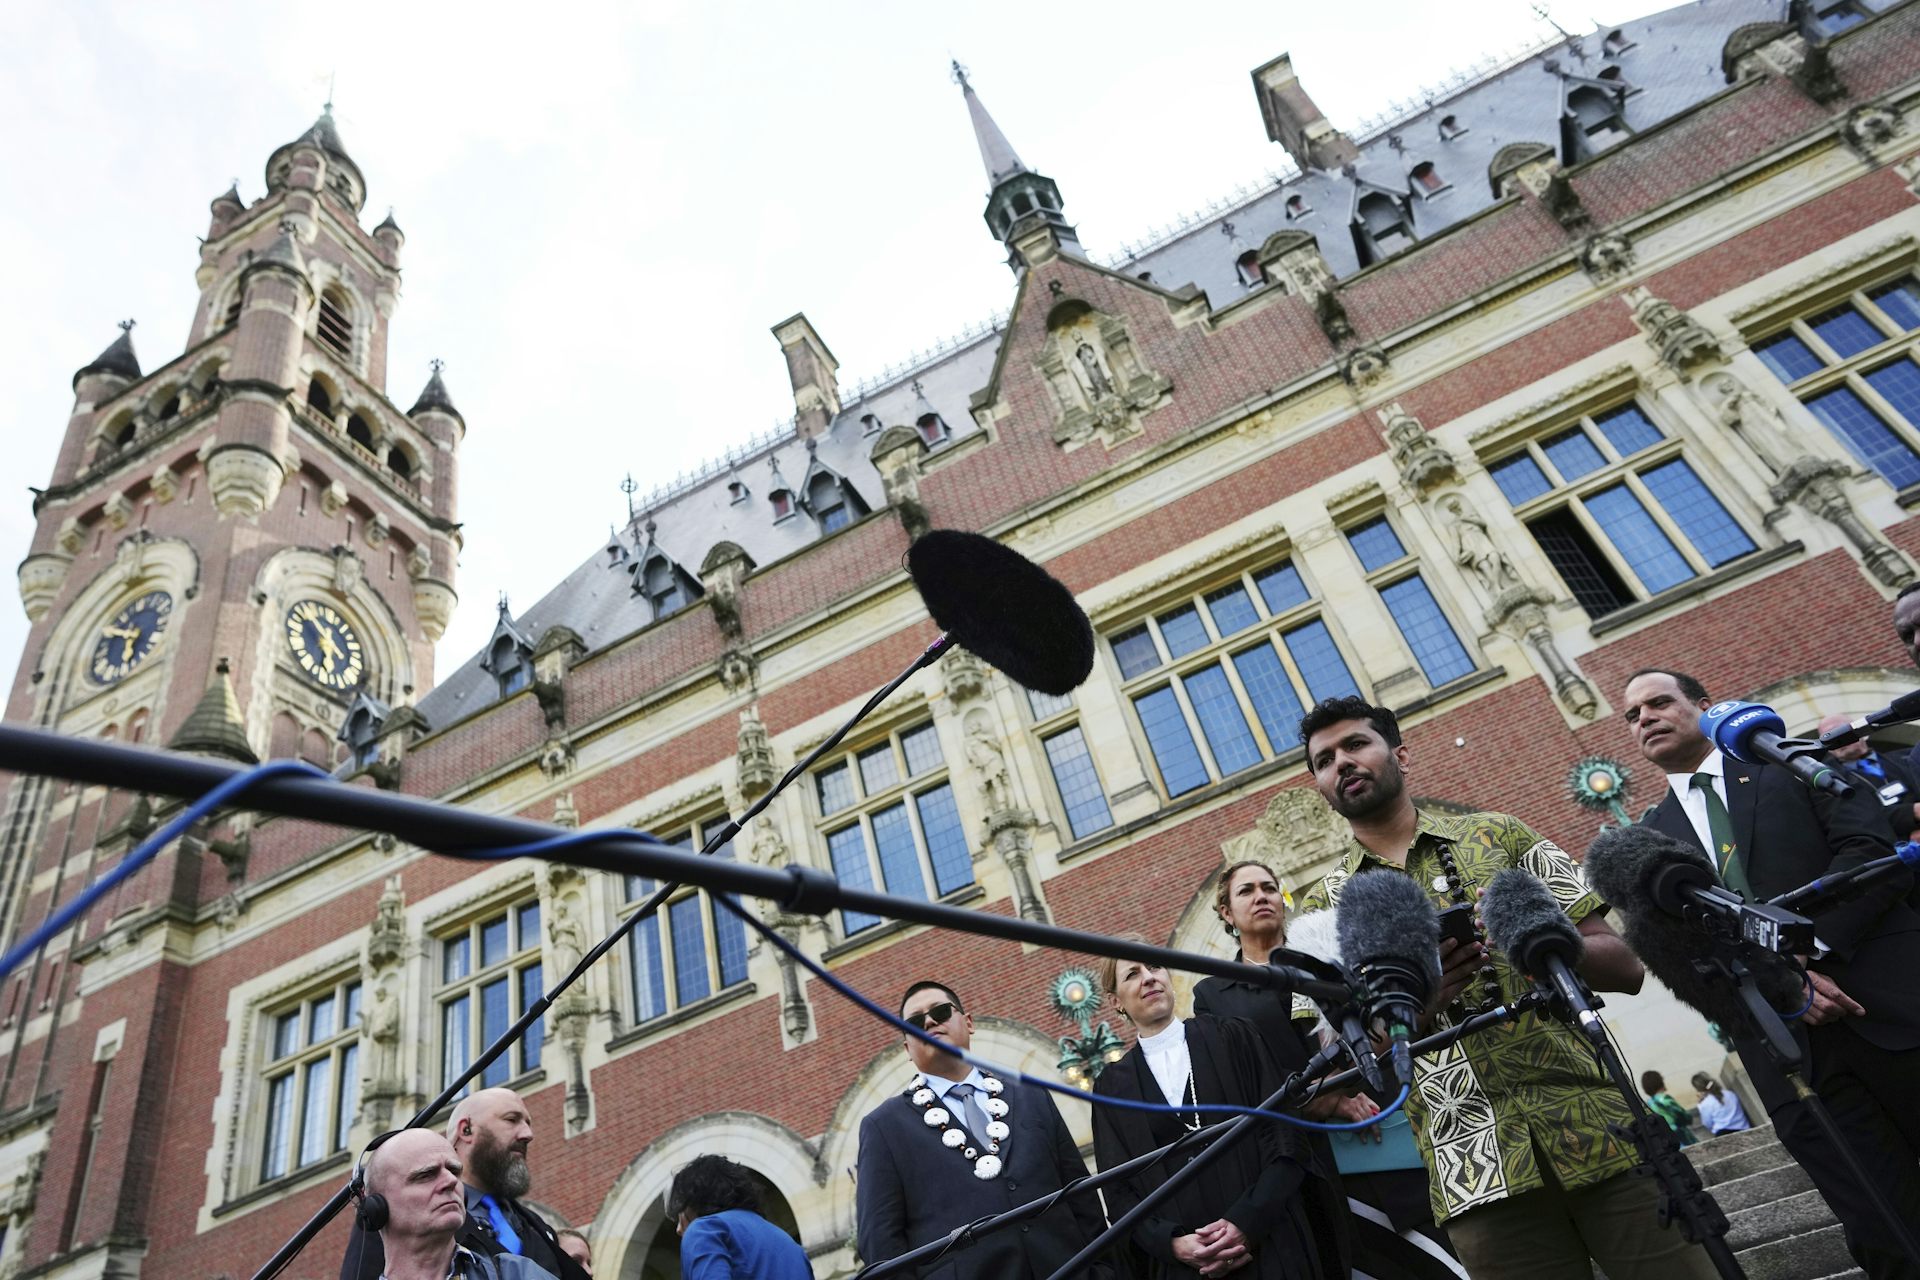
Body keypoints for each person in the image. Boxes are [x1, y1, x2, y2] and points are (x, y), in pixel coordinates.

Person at [1293, 695, 1717, 1280]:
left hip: (1602, 1129)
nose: (1341, 762)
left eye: (1356, 744)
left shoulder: (1501, 836)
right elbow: (1340, 1064)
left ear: (1400, 755)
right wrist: (1416, 1008)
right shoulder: (1320, 910)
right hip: (1473, 1172)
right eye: (1324, 760)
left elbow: (1625, 967)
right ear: (1319, 785)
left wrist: (1540, 942)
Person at [1626, 668, 1920, 1278]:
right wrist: (1782, 985)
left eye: (1658, 702)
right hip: (1788, 1055)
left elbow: (1869, 852)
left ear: (1705, 706)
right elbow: (1674, 956)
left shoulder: (1790, 765)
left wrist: (1804, 950)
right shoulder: (1646, 844)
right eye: (1633, 715)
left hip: (1890, 1007)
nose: (1644, 718)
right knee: (1884, 1230)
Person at [1194, 861, 1458, 1279]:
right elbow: (1240, 1077)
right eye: (1247, 891)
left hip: (1385, 1127)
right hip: (1311, 1158)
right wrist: (1327, 1099)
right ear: (1226, 912)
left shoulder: (1327, 952)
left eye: (1269, 888)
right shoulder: (1213, 994)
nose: (1261, 896)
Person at [1091, 937, 1336, 1279]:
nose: (1149, 977)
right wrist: (1173, 1244)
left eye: (1154, 966)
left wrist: (1246, 1223)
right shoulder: (1111, 1088)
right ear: (1116, 1001)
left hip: (1271, 1248)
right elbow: (1118, 1194)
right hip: (1185, 1269)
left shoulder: (1233, 1036)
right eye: (1132, 974)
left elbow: (1285, 1136)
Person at [854, 980, 1111, 1280]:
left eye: (940, 1011)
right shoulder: (883, 1127)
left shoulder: (1031, 1096)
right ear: (907, 1048)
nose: (929, 1021)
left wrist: (1103, 1271)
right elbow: (882, 1247)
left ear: (969, 1023)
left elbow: (1081, 1195)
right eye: (914, 1022)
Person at [341, 1087, 590, 1280]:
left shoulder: (536, 1226)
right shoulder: (392, 1216)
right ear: (466, 1129)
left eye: (453, 1171)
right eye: (512, 1119)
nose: (527, 1134)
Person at [355, 1128, 557, 1280]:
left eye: (454, 1171)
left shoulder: (518, 1274)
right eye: (426, 1175)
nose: (451, 1181)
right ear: (374, 1206)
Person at [668, 1154, 811, 1280]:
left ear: (695, 1198)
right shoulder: (792, 1246)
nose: (679, 1229)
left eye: (681, 1210)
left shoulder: (705, 1230)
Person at [1817, 710, 1920, 839]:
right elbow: (1854, 819)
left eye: (1839, 731)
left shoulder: (1908, 757)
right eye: (1827, 738)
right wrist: (1913, 812)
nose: (1836, 740)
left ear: (1860, 731)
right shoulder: (1834, 784)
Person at [1639, 1073, 1697, 1147]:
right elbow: (1682, 1115)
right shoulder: (1664, 1099)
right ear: (1659, 1082)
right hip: (1682, 1137)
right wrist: (1688, 1119)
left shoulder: (1649, 1104)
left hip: (1667, 1141)